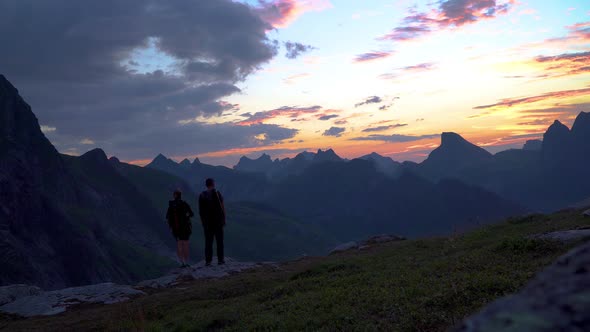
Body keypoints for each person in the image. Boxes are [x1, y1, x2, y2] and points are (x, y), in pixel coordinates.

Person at [198, 178, 226, 266]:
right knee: (219, 241)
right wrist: (224, 218)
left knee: (208, 242)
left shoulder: (202, 195)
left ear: (206, 185)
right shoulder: (217, 193)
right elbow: (222, 207)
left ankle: (208, 261)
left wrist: (203, 222)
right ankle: (220, 260)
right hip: (218, 221)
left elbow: (200, 211)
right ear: (213, 184)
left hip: (207, 223)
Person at [166, 189, 194, 268]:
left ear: (174, 196)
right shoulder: (184, 203)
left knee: (179, 244)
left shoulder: (171, 205)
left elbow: (167, 217)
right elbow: (191, 214)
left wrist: (171, 226)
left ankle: (182, 262)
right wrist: (186, 217)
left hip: (176, 228)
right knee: (185, 244)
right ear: (180, 195)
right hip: (185, 227)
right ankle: (186, 261)